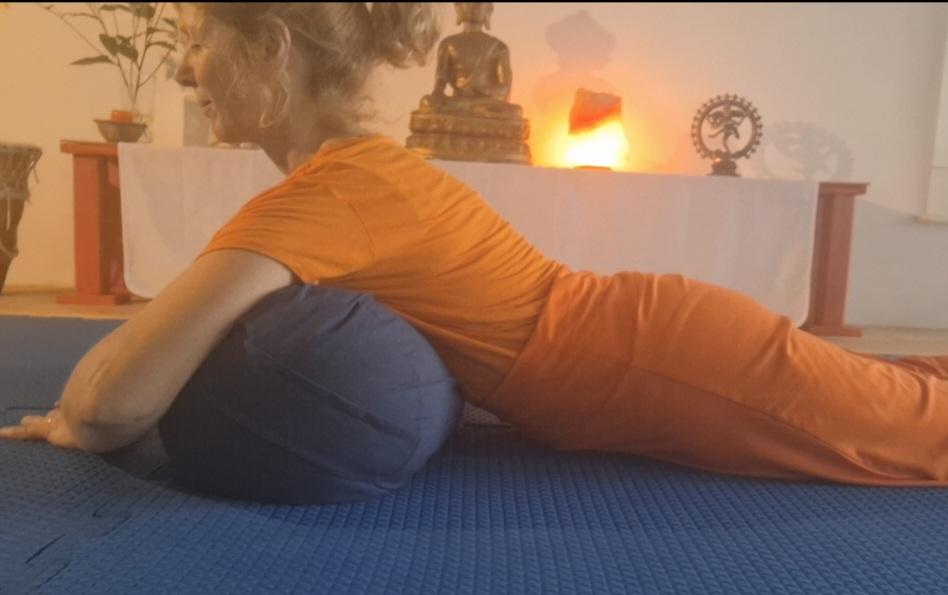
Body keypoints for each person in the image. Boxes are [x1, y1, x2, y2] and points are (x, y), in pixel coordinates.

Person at [3, 2, 948, 492]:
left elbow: (111, 400)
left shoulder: (330, 193)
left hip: (656, 358)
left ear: (274, 48)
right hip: (640, 346)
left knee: (916, 439)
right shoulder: (349, 177)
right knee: (910, 397)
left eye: (198, 40)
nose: (183, 69)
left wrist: (78, 423)